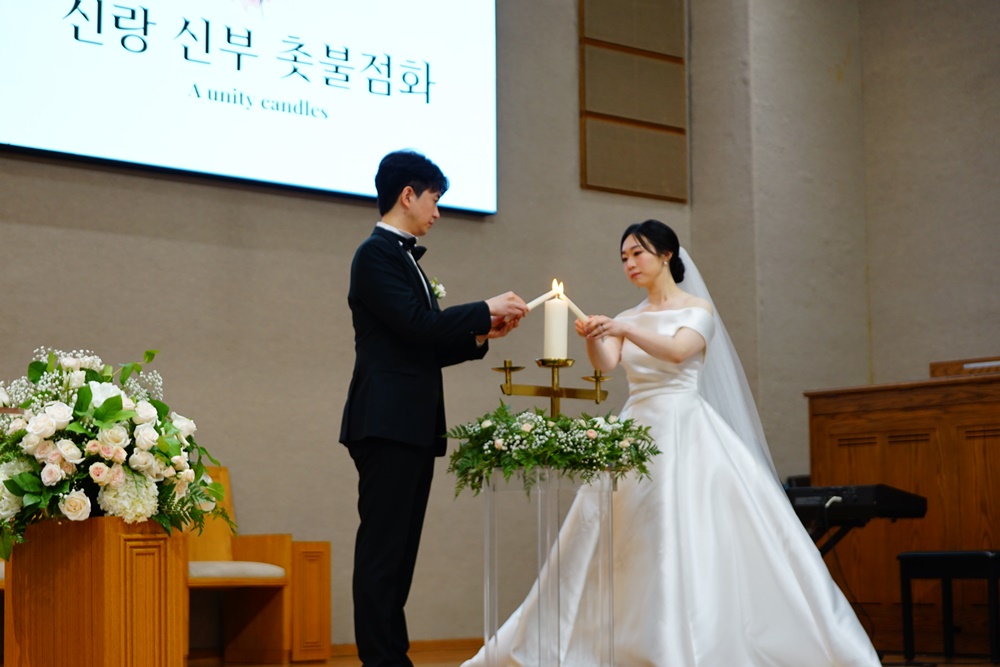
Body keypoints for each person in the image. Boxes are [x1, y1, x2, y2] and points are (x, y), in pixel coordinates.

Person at [462, 219, 880, 666]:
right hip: (636, 426)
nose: (629, 263)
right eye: (623, 257)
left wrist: (623, 330)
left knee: (685, 527)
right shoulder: (627, 317)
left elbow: (680, 350)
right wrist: (596, 339)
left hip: (684, 425)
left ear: (666, 255)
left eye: (637, 253)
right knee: (617, 536)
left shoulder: (697, 309)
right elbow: (606, 365)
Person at [340, 150, 528, 667]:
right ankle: (382, 661)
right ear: (408, 195)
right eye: (434, 199)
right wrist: (483, 308)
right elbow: (415, 325)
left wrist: (483, 334)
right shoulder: (374, 254)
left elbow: (423, 344)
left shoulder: (404, 259)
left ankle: (393, 657)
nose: (438, 212)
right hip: (386, 423)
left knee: (400, 555)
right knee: (383, 555)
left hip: (411, 425)